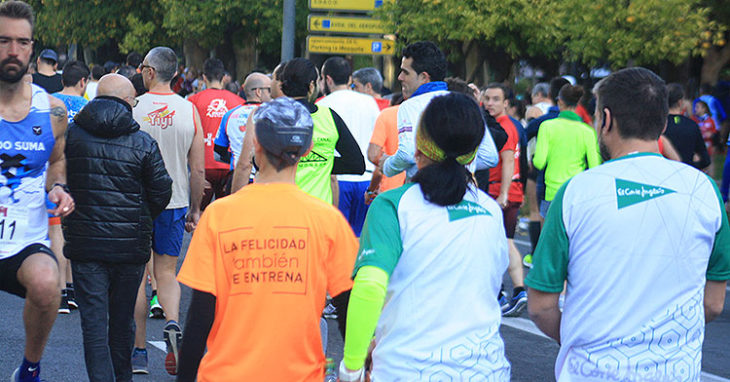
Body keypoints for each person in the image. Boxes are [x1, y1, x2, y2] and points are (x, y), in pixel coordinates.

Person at [527, 67, 730, 382]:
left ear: (606, 119)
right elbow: (714, 303)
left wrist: (580, 338)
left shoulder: (576, 192)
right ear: (662, 123)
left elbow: (540, 307)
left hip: (592, 371)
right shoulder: (704, 190)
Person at [176, 96, 358, 381]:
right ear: (308, 148)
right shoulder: (329, 221)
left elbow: (200, 314)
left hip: (226, 374)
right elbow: (349, 308)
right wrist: (359, 365)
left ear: (255, 146)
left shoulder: (219, 215)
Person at [340, 93, 510, 381]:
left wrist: (352, 366)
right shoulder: (491, 210)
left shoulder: (393, 205)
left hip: (406, 369)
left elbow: (370, 286)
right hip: (486, 369)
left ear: (419, 146)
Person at [63, 73, 172, 382]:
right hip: (129, 246)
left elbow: (59, 179)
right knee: (123, 322)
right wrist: (140, 217)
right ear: (127, 102)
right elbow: (161, 191)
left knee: (94, 324)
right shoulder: (142, 142)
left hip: (85, 245)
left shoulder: (72, 136)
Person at [0, 2, 75, 381]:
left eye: (22, 42)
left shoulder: (52, 111)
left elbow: (56, 161)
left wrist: (59, 187)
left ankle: (29, 369)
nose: (13, 51)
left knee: (49, 284)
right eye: (3, 40)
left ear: (32, 48)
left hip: (23, 242)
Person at [132, 46, 205, 375]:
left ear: (149, 71)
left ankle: (138, 351)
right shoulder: (188, 110)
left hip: (135, 202)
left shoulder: (132, 106)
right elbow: (199, 170)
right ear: (175, 73)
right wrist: (195, 209)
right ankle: (173, 322)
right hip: (174, 202)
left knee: (136, 275)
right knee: (166, 273)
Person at [231, 58, 365, 205]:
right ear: (312, 86)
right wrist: (323, 160)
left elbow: (245, 165)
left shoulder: (265, 114)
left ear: (282, 84)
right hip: (317, 210)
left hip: (275, 206)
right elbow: (357, 164)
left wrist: (234, 205)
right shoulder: (329, 117)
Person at [382, 41, 499, 181]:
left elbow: (407, 153)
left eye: (405, 72)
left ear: (424, 77)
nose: (399, 77)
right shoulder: (466, 104)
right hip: (462, 193)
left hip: (423, 193)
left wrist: (386, 166)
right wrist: (453, 168)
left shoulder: (410, 106)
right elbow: (490, 157)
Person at [318, 57, 380, 236]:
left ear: (327, 79)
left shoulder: (322, 105)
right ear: (350, 79)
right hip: (367, 180)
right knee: (361, 239)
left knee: (336, 237)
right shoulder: (369, 102)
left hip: (338, 181)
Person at [482, 82, 527, 316]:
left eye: (496, 99)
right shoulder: (501, 124)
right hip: (503, 191)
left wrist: (504, 194)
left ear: (506, 104)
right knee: (504, 242)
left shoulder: (505, 126)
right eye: (487, 98)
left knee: (502, 243)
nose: (490, 103)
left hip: (501, 192)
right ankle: (514, 291)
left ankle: (509, 291)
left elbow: (509, 160)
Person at [522, 77, 570, 268]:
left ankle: (540, 259)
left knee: (540, 217)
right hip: (573, 181)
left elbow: (525, 136)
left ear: (551, 95)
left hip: (545, 178)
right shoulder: (584, 125)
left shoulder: (545, 121)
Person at [532, 84, 601, 216]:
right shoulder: (587, 131)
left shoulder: (547, 126)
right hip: (576, 193)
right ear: (578, 103)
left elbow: (539, 162)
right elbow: (594, 166)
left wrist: (533, 159)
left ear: (560, 102)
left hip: (552, 193)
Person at [188, 58, 245, 209]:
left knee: (197, 215)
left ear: (204, 77)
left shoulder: (193, 101)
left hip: (203, 166)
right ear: (223, 77)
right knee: (227, 216)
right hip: (228, 165)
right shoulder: (239, 102)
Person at [213, 72, 271, 185]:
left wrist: (235, 157)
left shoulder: (229, 115)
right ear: (258, 92)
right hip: (264, 180)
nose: (272, 93)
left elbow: (218, 152)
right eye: (269, 90)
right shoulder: (273, 114)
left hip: (236, 179)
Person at [663, 83, 710, 170]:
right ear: (680, 102)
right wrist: (693, 165)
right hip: (685, 173)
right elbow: (705, 160)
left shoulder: (658, 125)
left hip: (662, 173)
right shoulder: (692, 125)